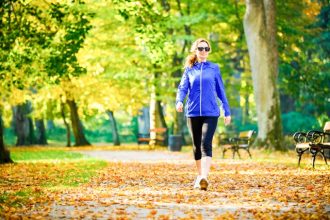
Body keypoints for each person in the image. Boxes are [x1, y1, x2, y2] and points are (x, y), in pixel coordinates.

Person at [175, 38, 231, 191]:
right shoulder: (189, 69)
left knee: (206, 143)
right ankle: (200, 176)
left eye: (206, 49)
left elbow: (221, 91)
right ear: (195, 50)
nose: (203, 51)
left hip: (211, 112)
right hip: (193, 112)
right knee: (196, 146)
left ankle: (204, 177)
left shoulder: (214, 68)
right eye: (201, 48)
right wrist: (179, 101)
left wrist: (227, 110)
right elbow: (182, 88)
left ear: (209, 51)